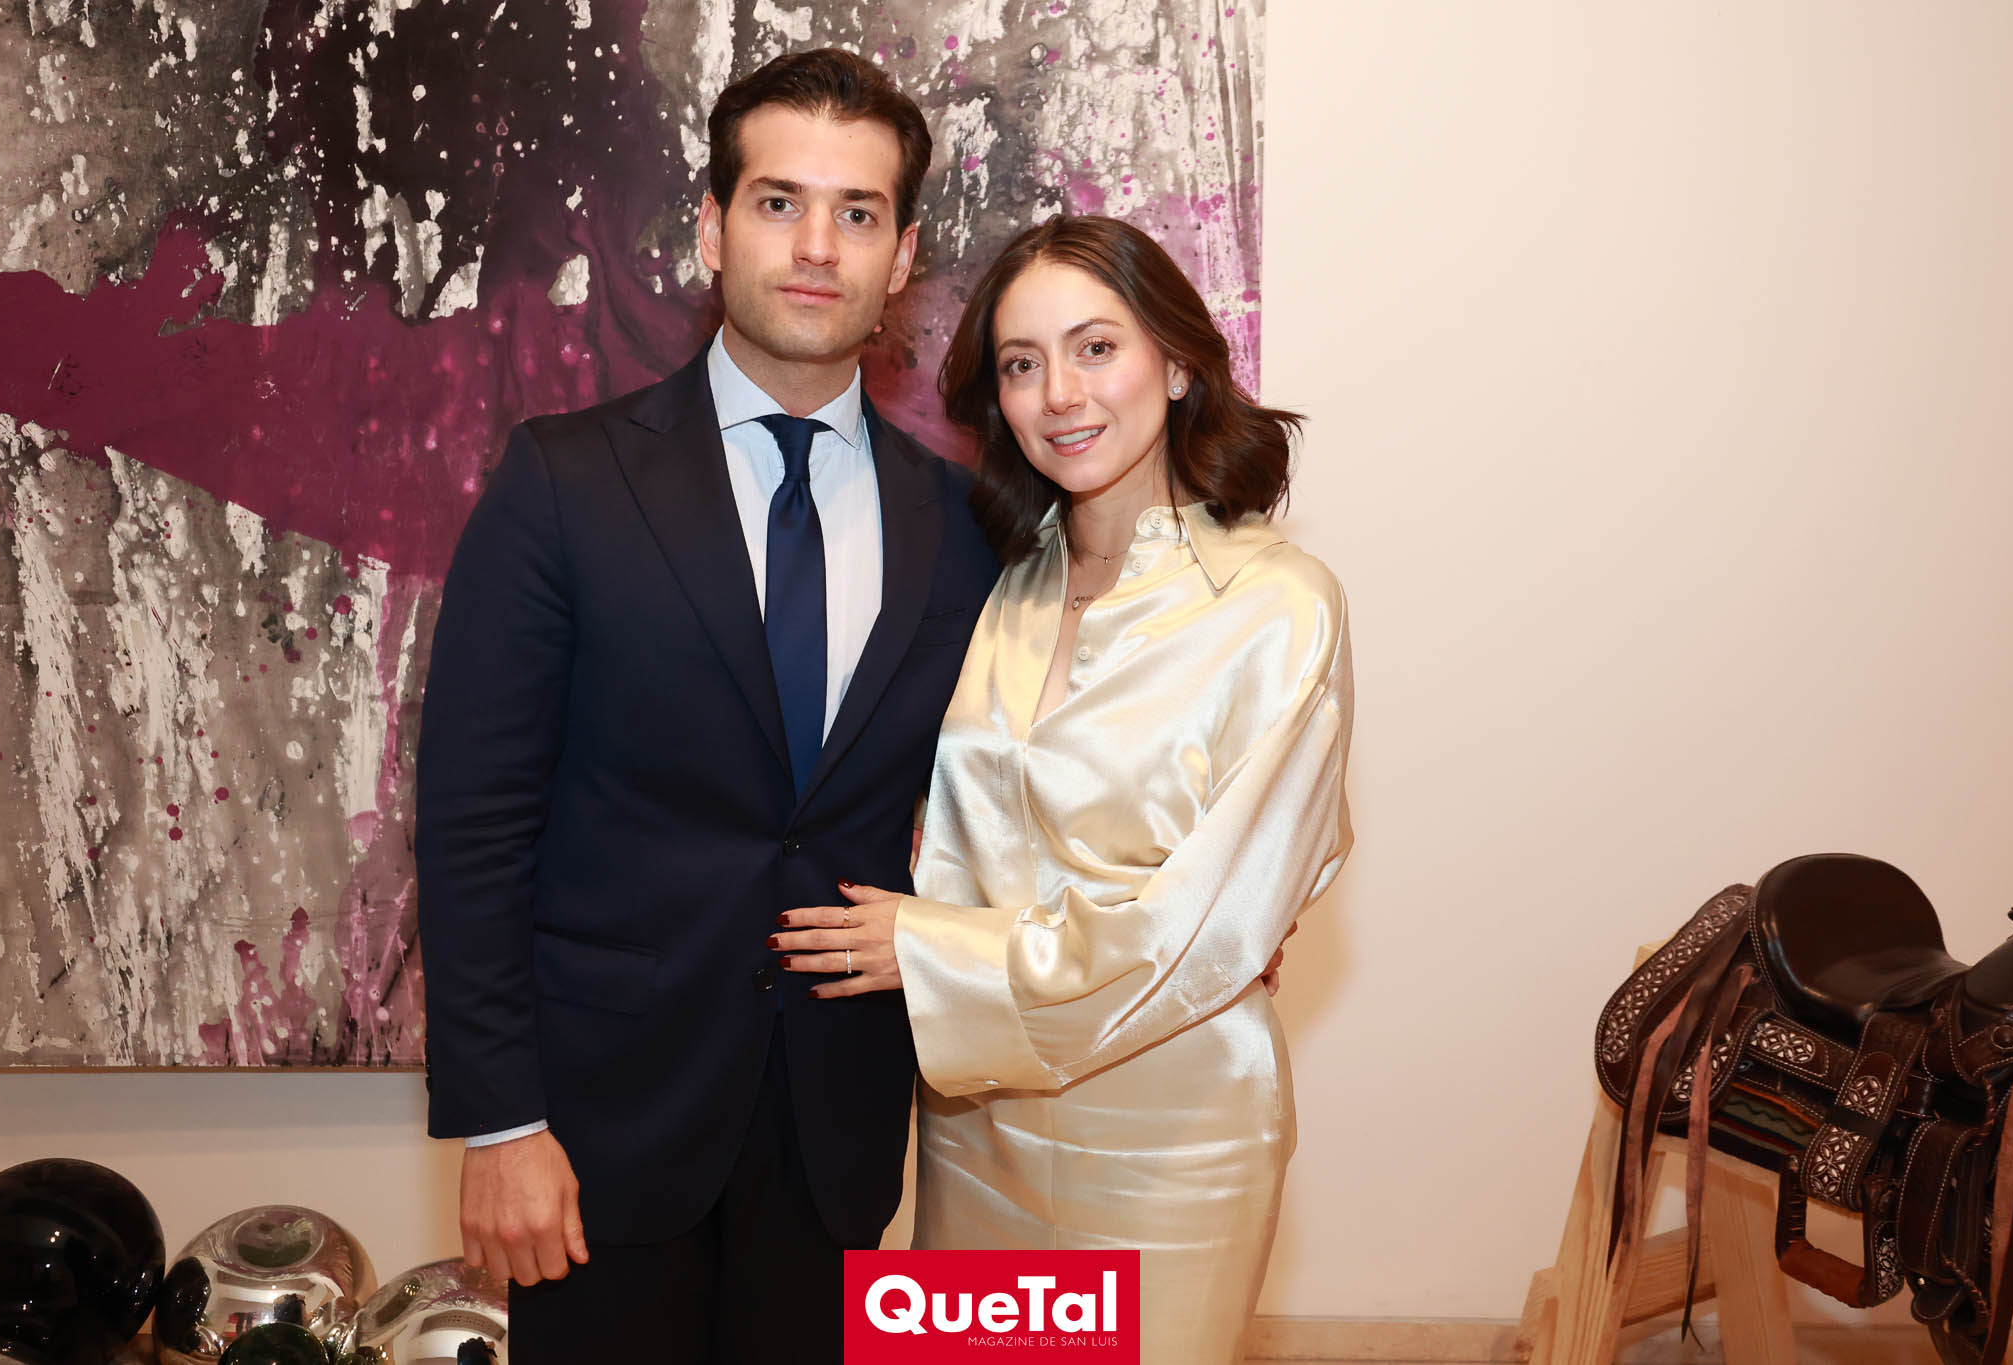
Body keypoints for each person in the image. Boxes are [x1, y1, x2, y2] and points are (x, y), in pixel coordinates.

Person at [414, 48, 1000, 1364]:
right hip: (594, 1138)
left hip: (840, 1132)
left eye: (857, 213)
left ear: (902, 257)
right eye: (779, 202)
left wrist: (1184, 914)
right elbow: (472, 823)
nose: (816, 246)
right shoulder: (563, 483)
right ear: (710, 228)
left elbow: (1022, 781)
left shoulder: (964, 524)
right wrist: (500, 1122)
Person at [773, 214, 1354, 1363]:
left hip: (1169, 1132)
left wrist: (927, 951)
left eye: (1095, 348)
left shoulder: (1278, 606)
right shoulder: (1003, 582)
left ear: (1176, 364)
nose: (1059, 395)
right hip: (974, 1122)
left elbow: (1204, 930)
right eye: (1020, 363)